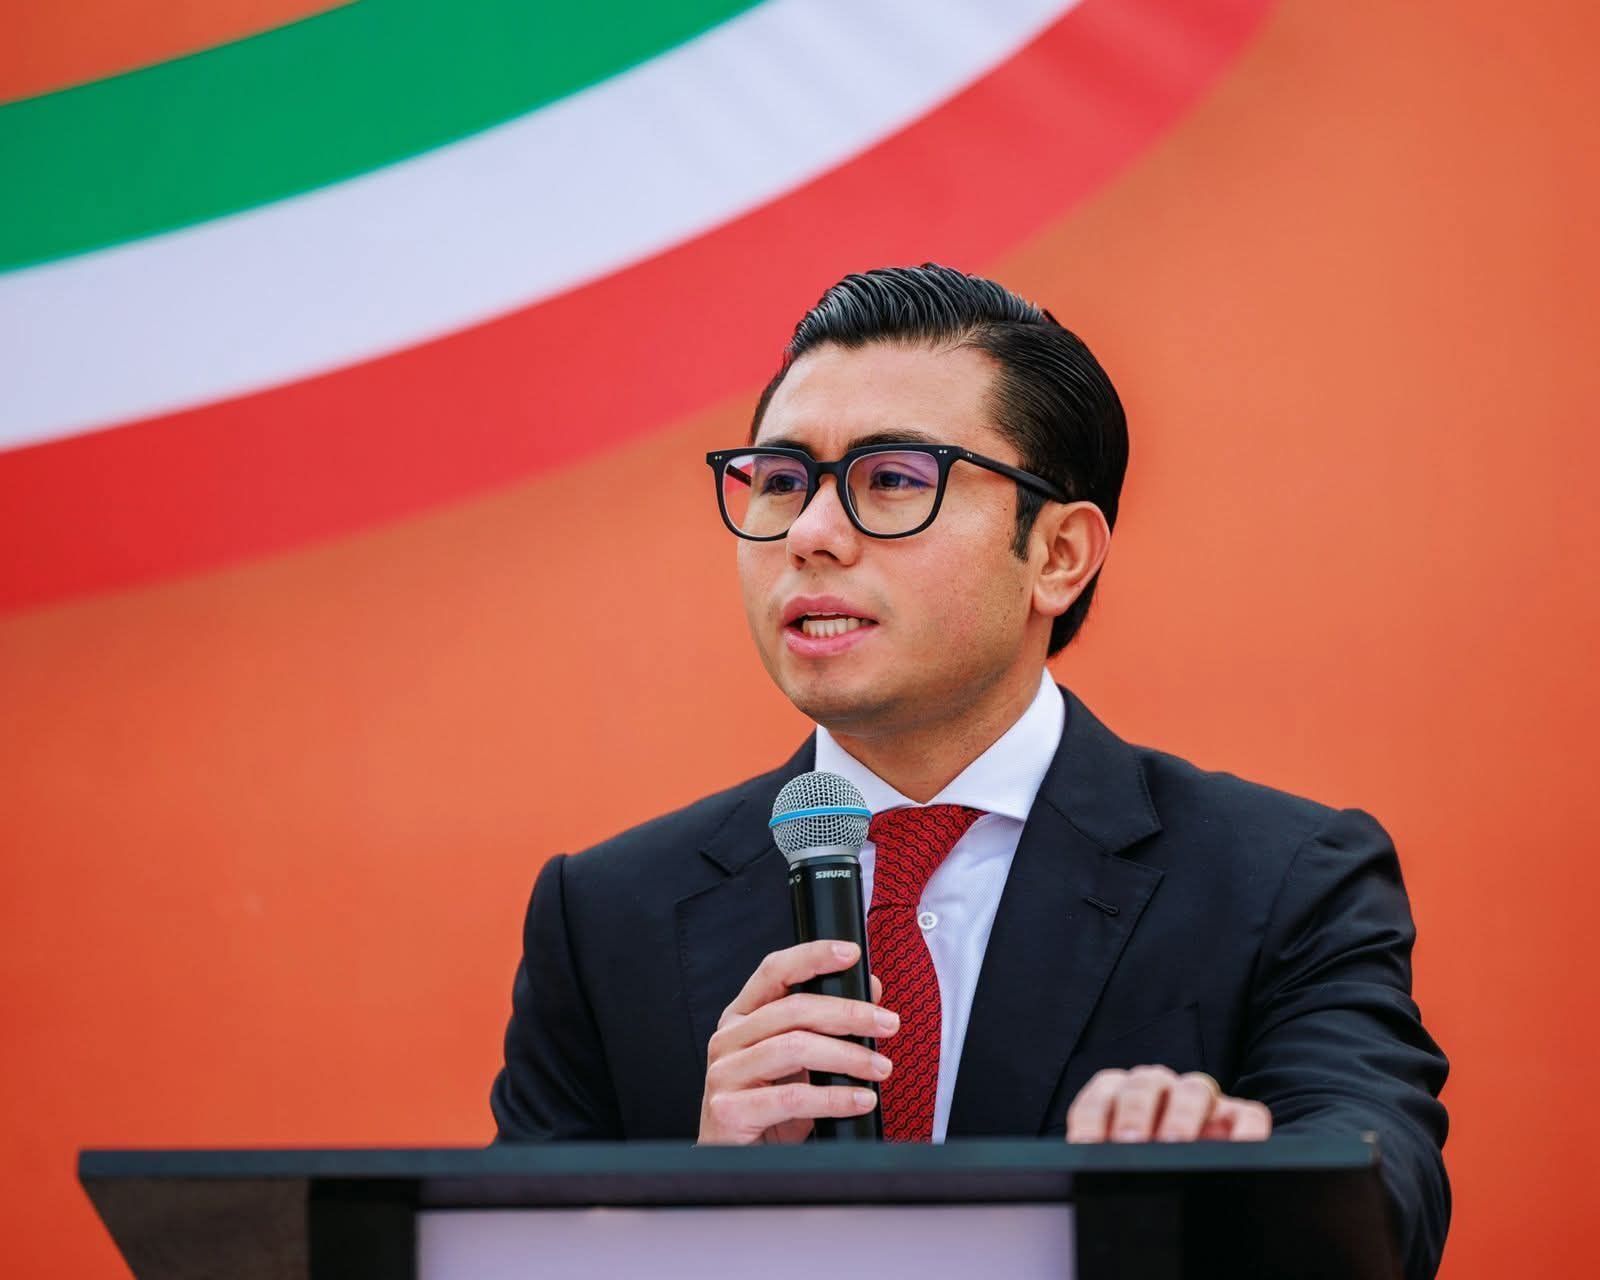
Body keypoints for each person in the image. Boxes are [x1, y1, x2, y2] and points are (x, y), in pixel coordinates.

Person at [491, 264, 1449, 1277]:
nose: (810, 535)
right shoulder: (607, 915)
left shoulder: (1282, 879)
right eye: (780, 481)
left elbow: (1384, 1210)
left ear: (1058, 553)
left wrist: (1237, 1191)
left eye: (893, 480)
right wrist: (697, 1212)